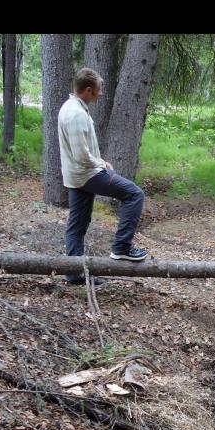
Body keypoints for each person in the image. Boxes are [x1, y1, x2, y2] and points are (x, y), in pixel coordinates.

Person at [58, 67, 148, 285]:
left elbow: (80, 151)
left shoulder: (70, 107)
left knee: (77, 225)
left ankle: (74, 273)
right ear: (88, 90)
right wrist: (102, 164)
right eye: (99, 89)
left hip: (75, 176)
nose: (102, 93)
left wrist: (99, 161)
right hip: (87, 174)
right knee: (134, 195)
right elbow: (81, 156)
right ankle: (122, 247)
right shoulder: (77, 114)